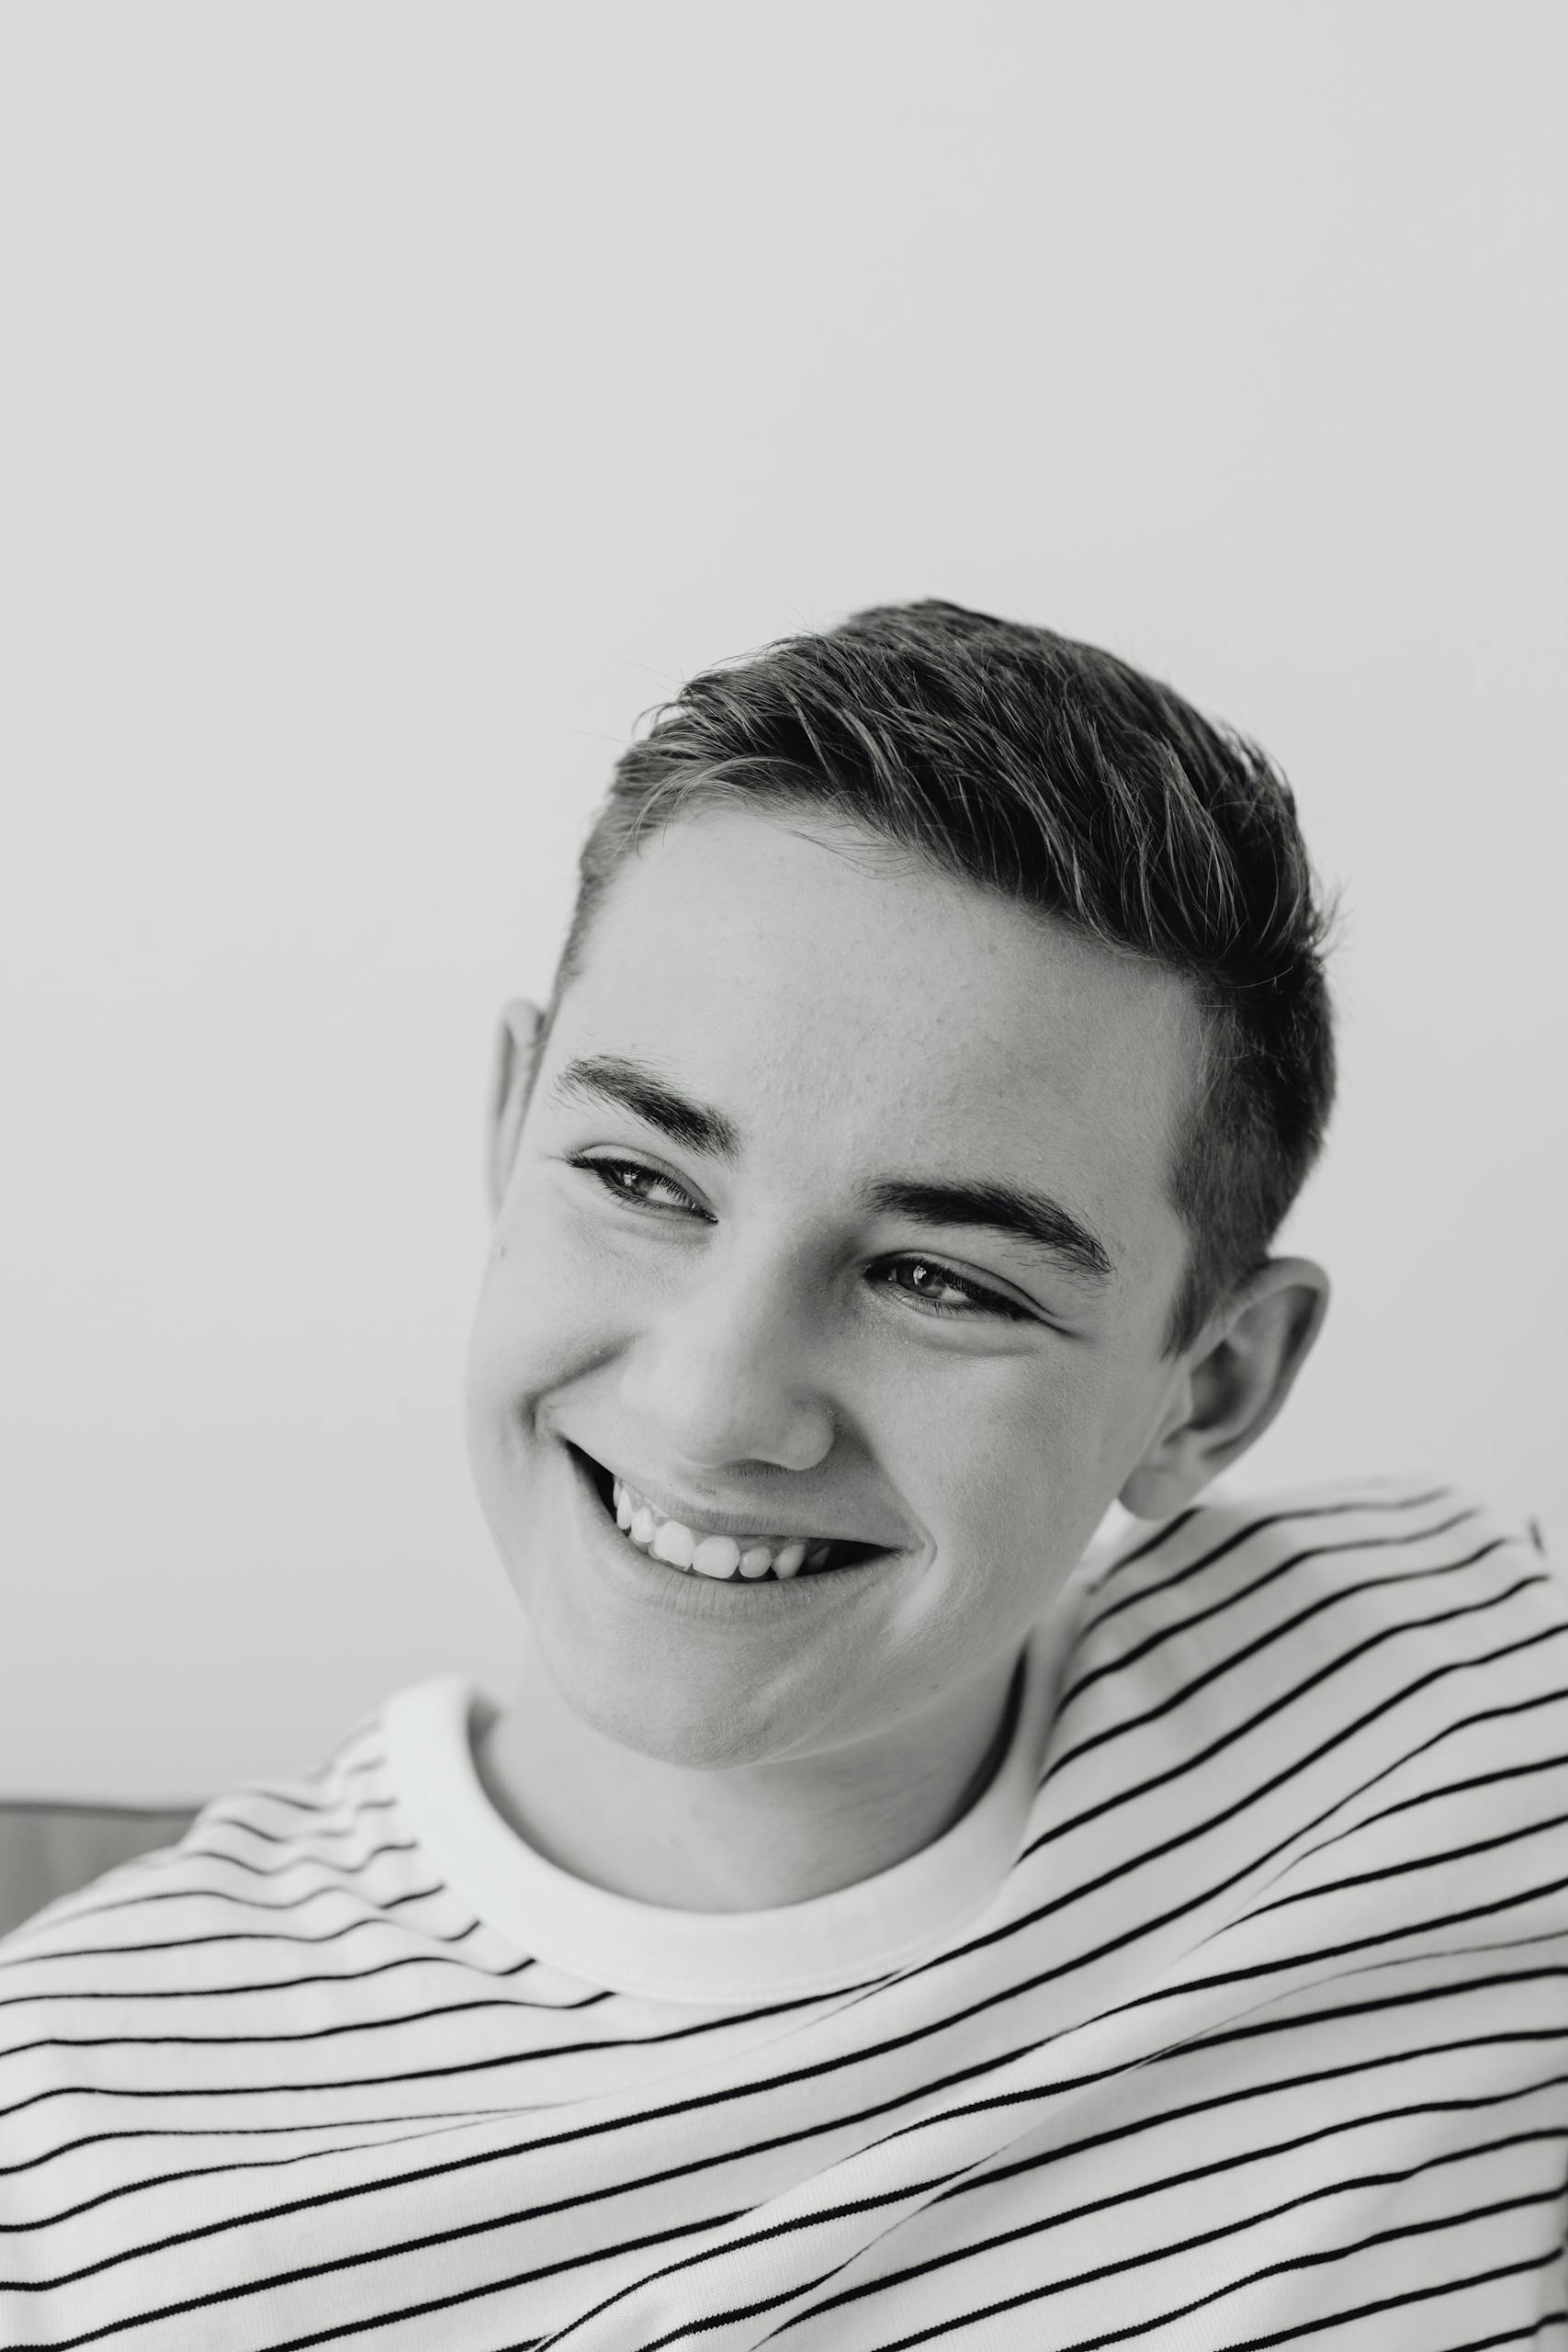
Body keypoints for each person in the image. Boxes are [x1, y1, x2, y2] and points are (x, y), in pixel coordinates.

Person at [2, 601, 1562, 2348]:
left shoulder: (1474, 1691)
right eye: (644, 1179)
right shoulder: (67, 2146)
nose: (717, 1406)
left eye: (944, 1280)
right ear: (512, 1124)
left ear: (1210, 1393)